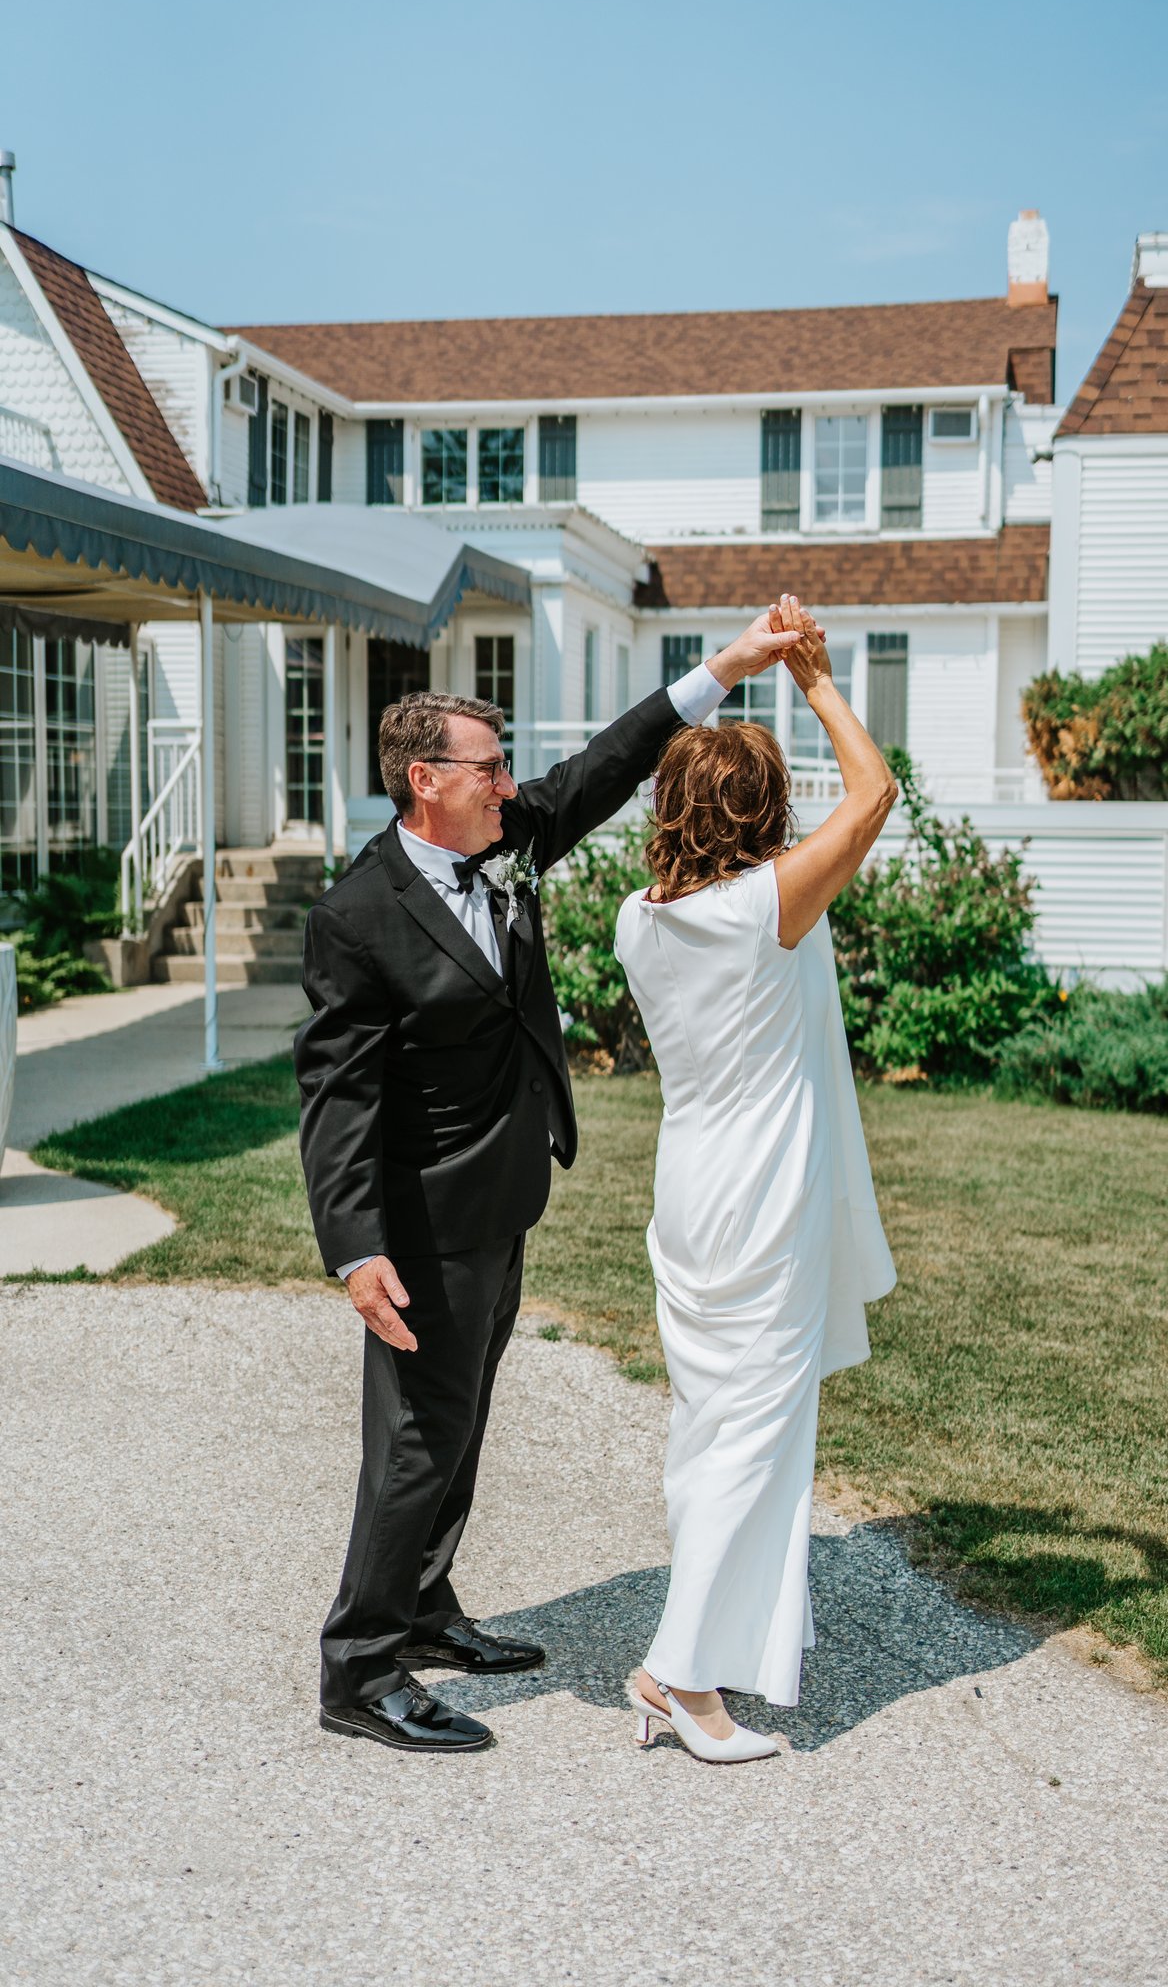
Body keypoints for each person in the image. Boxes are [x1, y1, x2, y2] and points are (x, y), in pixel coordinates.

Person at [294, 610, 803, 1754]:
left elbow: (611, 763)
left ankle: (425, 1605)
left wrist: (721, 670)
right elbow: (340, 1097)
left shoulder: (505, 839)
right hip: (421, 1223)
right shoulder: (359, 917)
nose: (511, 784)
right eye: (490, 767)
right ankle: (360, 1666)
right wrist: (356, 1246)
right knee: (417, 1439)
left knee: (461, 1419)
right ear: (425, 780)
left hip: (502, 1199)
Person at [614, 593, 898, 1764]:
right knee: (753, 1433)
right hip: (763, 1193)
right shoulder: (767, 906)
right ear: (767, 808)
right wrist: (818, 678)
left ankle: (703, 1656)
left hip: (688, 1188)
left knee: (708, 1426)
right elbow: (876, 794)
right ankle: (679, 1674)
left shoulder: (641, 917)